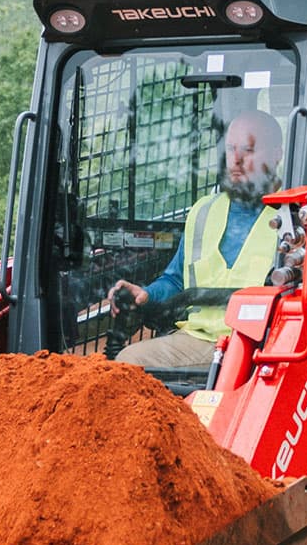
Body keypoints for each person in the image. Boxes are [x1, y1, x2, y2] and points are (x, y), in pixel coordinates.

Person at [111, 109, 283, 372]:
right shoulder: (203, 212)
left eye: (247, 150)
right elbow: (176, 280)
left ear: (276, 155)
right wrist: (147, 295)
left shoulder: (295, 217)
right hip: (199, 337)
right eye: (230, 149)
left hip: (259, 343)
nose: (235, 160)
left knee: (128, 364)